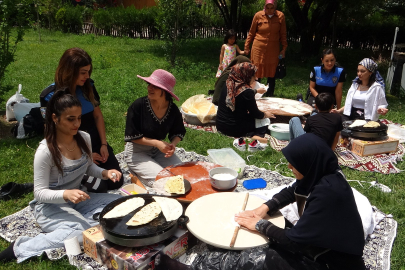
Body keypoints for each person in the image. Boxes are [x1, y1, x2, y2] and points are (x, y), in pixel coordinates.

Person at [0, 91, 122, 263]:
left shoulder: (84, 138)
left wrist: (105, 173)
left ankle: (80, 222)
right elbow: (39, 193)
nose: (77, 124)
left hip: (79, 199)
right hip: (50, 206)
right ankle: (20, 248)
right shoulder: (45, 151)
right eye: (70, 119)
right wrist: (66, 194)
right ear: (55, 118)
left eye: (79, 118)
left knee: (121, 202)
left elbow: (88, 167)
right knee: (81, 234)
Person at [235, 133, 366, 270]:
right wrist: (265, 208)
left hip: (335, 262)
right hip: (325, 246)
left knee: (269, 257)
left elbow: (293, 242)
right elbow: (294, 190)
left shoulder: (327, 194)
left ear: (309, 162)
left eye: (294, 163)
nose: (289, 166)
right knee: (275, 232)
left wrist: (259, 225)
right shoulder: (323, 172)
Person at [40, 47, 123, 193]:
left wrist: (104, 145)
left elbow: (97, 116)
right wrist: (86, 156)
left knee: (116, 180)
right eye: (83, 72)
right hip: (71, 150)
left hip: (94, 142)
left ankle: (83, 178)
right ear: (69, 71)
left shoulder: (88, 87)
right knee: (101, 186)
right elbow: (52, 133)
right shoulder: (50, 96)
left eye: (88, 72)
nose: (87, 76)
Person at [124, 69, 186, 187]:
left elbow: (178, 131)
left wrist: (173, 144)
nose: (149, 88)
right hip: (137, 152)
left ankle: (148, 171)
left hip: (158, 151)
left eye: (155, 86)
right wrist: (157, 143)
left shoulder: (172, 109)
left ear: (165, 91)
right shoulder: (138, 106)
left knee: (183, 175)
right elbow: (132, 136)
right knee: (164, 181)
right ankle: (141, 178)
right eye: (149, 85)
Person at [216, 62, 274, 152]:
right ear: (246, 75)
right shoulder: (247, 92)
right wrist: (265, 114)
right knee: (264, 120)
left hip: (220, 125)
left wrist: (256, 91)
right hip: (234, 128)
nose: (256, 78)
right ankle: (256, 136)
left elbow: (240, 94)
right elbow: (256, 114)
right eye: (253, 75)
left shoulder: (228, 83)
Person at [244, 0, 287, 97]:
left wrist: (284, 48)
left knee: (272, 72)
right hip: (258, 48)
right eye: (267, 8)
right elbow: (251, 32)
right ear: (264, 7)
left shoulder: (280, 16)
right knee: (256, 71)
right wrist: (247, 46)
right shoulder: (258, 15)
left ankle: (270, 94)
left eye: (272, 8)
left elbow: (283, 34)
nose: (270, 10)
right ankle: (255, 94)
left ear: (275, 7)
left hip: (273, 49)